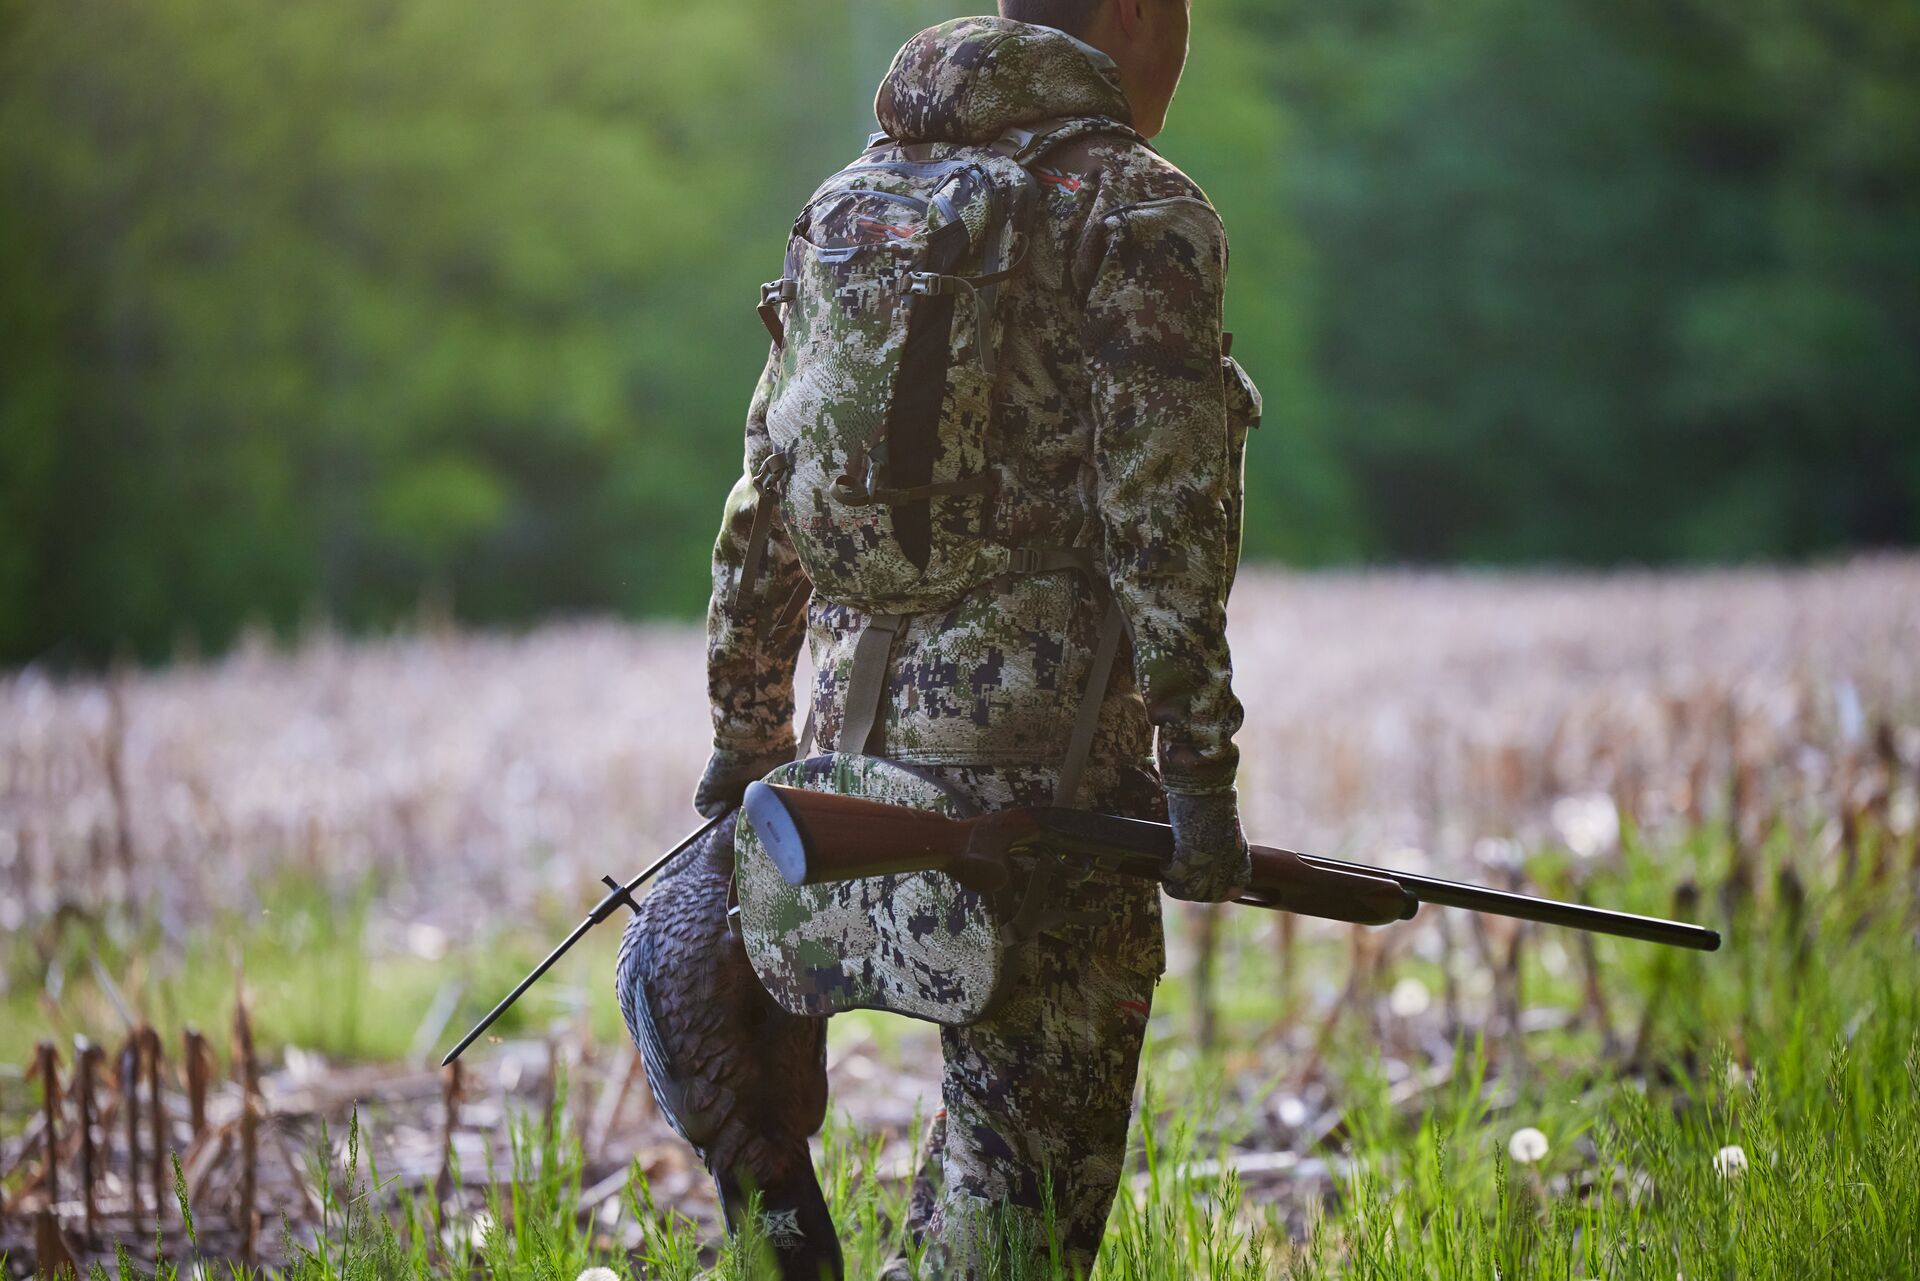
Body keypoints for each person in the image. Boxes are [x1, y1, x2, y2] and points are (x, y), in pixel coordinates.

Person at [616, 1, 1260, 1275]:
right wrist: (1199, 780)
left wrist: (746, 739)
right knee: (1011, 1203)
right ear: (1132, 12)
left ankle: (776, 1223)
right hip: (1040, 795)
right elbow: (1167, 524)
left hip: (836, 779)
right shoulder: (1138, 207)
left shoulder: (850, 200)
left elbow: (766, 494)